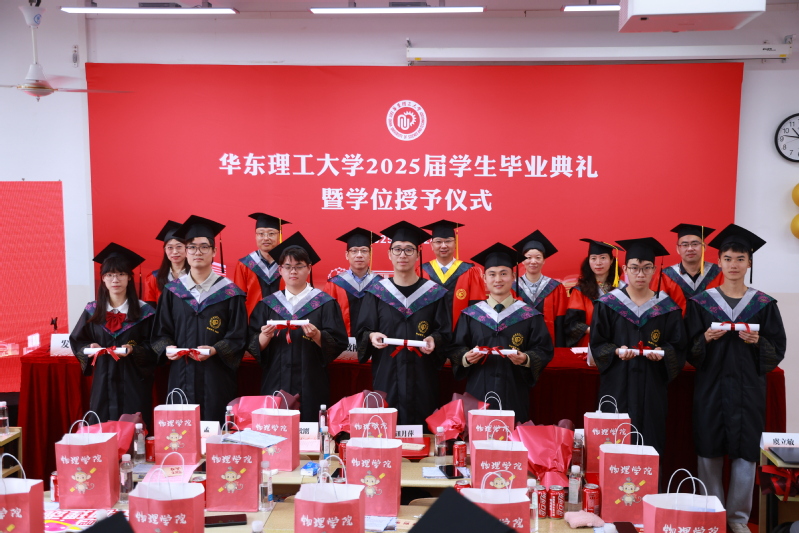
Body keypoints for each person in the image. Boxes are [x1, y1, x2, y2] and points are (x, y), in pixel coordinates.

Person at [685, 224, 786, 533]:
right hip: (711, 386)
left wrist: (759, 342)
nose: (733, 265)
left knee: (745, 452)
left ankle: (738, 519)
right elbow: (688, 349)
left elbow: (777, 348)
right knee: (709, 447)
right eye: (727, 259)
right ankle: (711, 514)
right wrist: (705, 337)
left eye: (740, 259)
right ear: (719, 262)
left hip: (747, 389)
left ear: (749, 263)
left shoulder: (763, 304)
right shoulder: (701, 303)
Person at [589, 237, 686, 457]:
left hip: (652, 386)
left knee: (650, 440)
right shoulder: (608, 305)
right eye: (634, 268)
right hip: (617, 385)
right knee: (615, 442)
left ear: (654, 270)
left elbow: (678, 346)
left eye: (646, 268)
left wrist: (663, 353)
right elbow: (597, 343)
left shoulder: (667, 308)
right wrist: (616, 351)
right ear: (625, 270)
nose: (640, 274)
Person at [151, 215, 248, 423]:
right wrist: (167, 348)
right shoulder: (172, 292)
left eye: (204, 247)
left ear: (214, 252)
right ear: (186, 252)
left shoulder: (231, 293)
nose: (198, 252)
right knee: (182, 429)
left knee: (216, 427)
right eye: (192, 247)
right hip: (181, 374)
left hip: (216, 376)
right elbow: (160, 332)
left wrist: (215, 350)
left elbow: (238, 336)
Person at [356, 221, 452, 425]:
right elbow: (363, 331)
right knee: (386, 425)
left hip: (423, 375)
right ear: (389, 254)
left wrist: (434, 339)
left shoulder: (435, 294)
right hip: (387, 373)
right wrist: (371, 336)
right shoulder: (376, 293)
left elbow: (444, 333)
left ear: (418, 255)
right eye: (397, 249)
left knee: (423, 428)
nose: (403, 255)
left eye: (409, 250)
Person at [248, 232, 348, 422]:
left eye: (299, 266)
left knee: (309, 427)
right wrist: (264, 337)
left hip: (311, 382)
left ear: (309, 268)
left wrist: (318, 335)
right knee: (275, 427)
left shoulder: (324, 303)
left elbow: (338, 343)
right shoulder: (268, 305)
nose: (293, 271)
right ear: (280, 270)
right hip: (275, 380)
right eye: (288, 267)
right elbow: (252, 343)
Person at [449, 243, 554, 423]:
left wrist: (526, 359)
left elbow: (543, 350)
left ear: (513, 276)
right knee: (478, 434)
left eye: (504, 273)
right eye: (492, 274)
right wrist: (466, 357)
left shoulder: (529, 315)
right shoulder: (471, 315)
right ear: (484, 278)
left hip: (514, 391)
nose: (498, 279)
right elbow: (455, 348)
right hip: (477, 391)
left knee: (513, 435)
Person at [70, 243, 157, 428]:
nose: (115, 279)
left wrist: (135, 350)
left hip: (134, 382)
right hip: (103, 382)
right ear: (103, 279)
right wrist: (89, 348)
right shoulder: (92, 311)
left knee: (134, 428)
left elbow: (156, 345)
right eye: (109, 275)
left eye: (120, 274)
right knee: (102, 427)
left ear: (129, 277)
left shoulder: (145, 312)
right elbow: (77, 340)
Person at [419, 220, 486, 329]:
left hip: (462, 335)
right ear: (432, 245)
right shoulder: (421, 272)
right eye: (438, 242)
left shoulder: (469, 272)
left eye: (448, 241)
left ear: (455, 244)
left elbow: (477, 307)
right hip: (428, 334)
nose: (443, 246)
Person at [322, 227, 383, 345]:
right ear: (347, 255)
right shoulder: (333, 285)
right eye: (354, 251)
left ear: (370, 255)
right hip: (341, 346)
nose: (359, 255)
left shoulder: (380, 284)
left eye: (364, 251)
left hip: (374, 346)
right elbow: (327, 319)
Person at [511, 230, 567, 347]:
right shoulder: (513, 287)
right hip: (519, 340)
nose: (533, 261)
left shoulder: (555, 287)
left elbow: (560, 320)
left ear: (544, 260)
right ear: (522, 261)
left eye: (538, 257)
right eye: (528, 257)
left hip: (548, 341)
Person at [563, 239, 621, 348]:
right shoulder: (580, 291)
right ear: (589, 261)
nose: (598, 263)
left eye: (603, 258)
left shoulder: (622, 289)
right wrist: (594, 330)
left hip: (619, 343)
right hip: (590, 344)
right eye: (593, 258)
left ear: (611, 260)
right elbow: (572, 324)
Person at [654, 223, 723, 313]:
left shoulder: (719, 273)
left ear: (704, 247)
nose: (690, 249)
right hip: (676, 322)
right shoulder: (665, 276)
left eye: (695, 244)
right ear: (678, 249)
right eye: (685, 245)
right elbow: (658, 309)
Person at [234, 212, 290, 315]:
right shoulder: (245, 264)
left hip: (285, 320)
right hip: (253, 321)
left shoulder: (290, 264)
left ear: (279, 235)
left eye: (271, 234)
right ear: (255, 236)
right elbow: (238, 300)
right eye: (261, 234)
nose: (266, 238)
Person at [143, 220, 188, 306]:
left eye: (179, 246)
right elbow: (151, 308)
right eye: (170, 247)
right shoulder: (154, 278)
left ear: (187, 248)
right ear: (165, 250)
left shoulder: (196, 275)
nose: (175, 252)